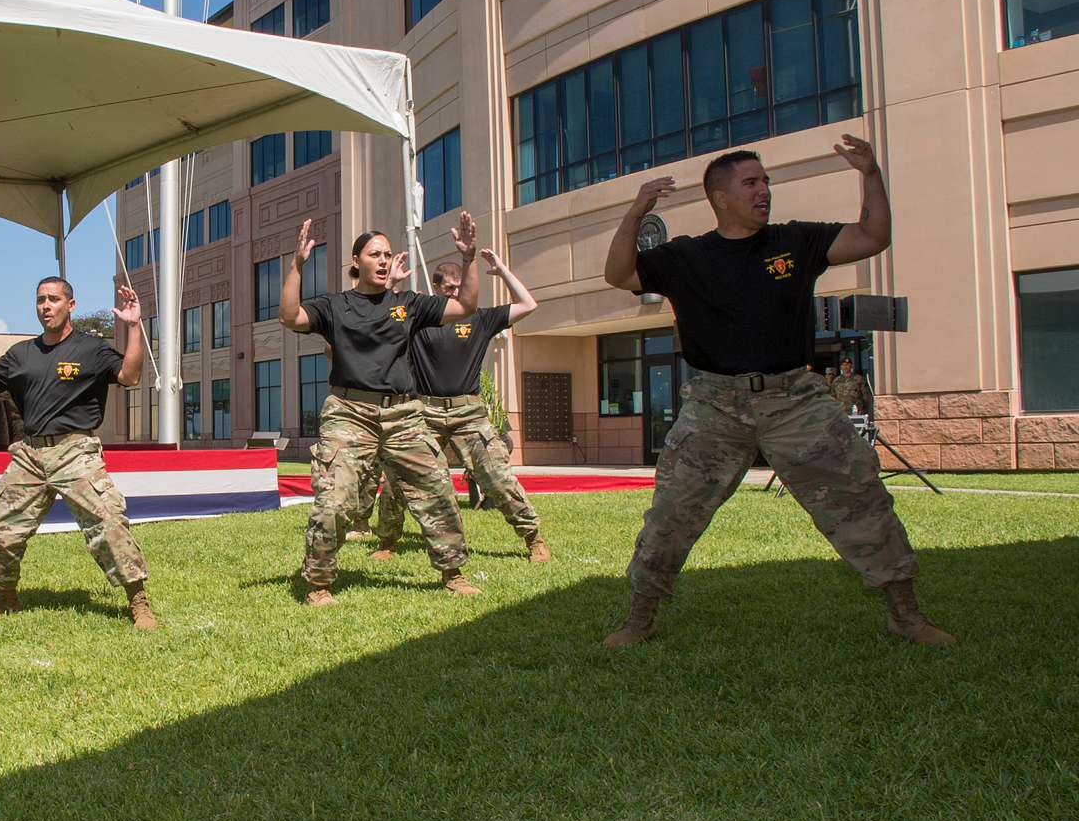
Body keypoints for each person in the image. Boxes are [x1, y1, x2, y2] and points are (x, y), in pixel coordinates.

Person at [600, 135, 954, 646]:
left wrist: (870, 173)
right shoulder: (687, 256)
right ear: (720, 197)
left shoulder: (796, 242)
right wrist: (636, 212)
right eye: (751, 182)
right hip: (715, 405)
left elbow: (873, 237)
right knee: (673, 511)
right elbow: (618, 273)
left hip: (795, 399)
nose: (764, 190)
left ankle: (905, 612)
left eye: (766, 181)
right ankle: (639, 618)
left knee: (860, 498)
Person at [282, 212, 485, 605]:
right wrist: (297, 265)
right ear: (356, 262)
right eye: (375, 254)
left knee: (436, 490)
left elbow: (466, 308)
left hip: (403, 414)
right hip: (349, 412)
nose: (383, 261)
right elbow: (290, 316)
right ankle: (319, 582)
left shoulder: (407, 304)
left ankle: (452, 572)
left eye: (388, 255)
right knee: (335, 498)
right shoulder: (334, 306)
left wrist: (469, 259)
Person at [0, 279, 158, 630]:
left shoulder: (91, 349)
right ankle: (5, 598)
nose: (45, 306)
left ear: (71, 305)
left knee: (107, 521)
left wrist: (133, 326)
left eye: (53, 299)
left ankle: (138, 601)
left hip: (75, 451)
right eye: (40, 300)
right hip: (30, 455)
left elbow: (130, 375)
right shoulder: (21, 354)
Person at [372, 251, 551, 564]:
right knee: (397, 477)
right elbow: (379, 316)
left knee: (497, 477)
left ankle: (534, 538)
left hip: (469, 414)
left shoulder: (481, 318)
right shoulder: (418, 319)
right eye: (449, 288)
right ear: (437, 289)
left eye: (459, 287)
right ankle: (387, 540)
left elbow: (528, 304)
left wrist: (502, 270)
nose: (455, 292)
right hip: (423, 412)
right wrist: (392, 283)